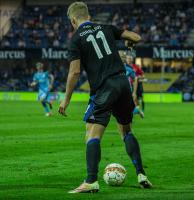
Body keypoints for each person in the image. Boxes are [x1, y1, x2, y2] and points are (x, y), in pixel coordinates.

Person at [58, 1, 153, 193]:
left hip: (104, 88)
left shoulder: (76, 39)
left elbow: (74, 72)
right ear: (89, 16)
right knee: (126, 131)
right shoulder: (106, 27)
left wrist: (66, 99)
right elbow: (136, 37)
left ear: (73, 20)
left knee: (92, 134)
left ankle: (91, 180)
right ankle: (141, 174)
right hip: (122, 84)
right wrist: (129, 42)